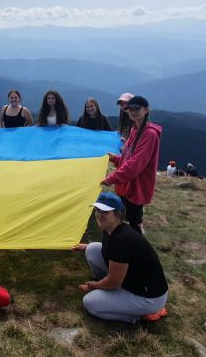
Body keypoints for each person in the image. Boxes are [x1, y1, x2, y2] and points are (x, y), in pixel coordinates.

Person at [71, 192, 168, 323]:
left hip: (149, 297)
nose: (99, 214)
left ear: (117, 214)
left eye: (105, 211)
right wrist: (85, 246)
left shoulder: (122, 240)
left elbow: (114, 282)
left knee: (90, 303)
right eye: (97, 210)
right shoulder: (112, 229)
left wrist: (93, 286)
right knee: (92, 248)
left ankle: (141, 316)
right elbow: (113, 251)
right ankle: (108, 290)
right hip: (132, 282)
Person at [101, 95, 161, 234]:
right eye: (130, 109)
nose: (132, 112)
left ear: (146, 110)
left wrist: (111, 178)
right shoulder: (135, 129)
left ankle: (137, 251)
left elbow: (136, 164)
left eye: (136, 109)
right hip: (126, 185)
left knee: (133, 223)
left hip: (137, 186)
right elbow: (128, 156)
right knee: (122, 219)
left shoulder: (150, 134)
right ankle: (124, 245)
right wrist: (115, 158)